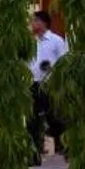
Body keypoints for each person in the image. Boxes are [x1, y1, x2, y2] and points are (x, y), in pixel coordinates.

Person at [29, 9, 66, 159]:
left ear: (43, 23)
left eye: (35, 21)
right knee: (32, 118)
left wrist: (51, 68)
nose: (32, 24)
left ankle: (61, 145)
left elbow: (63, 62)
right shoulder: (31, 41)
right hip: (33, 83)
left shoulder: (56, 41)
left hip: (49, 84)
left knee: (54, 116)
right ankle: (35, 150)